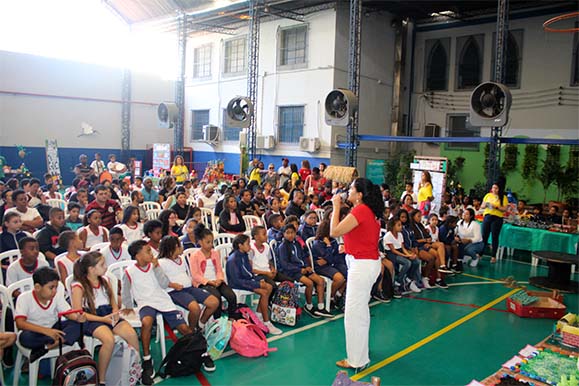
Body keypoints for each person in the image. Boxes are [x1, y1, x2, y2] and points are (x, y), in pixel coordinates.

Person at [123, 240, 216, 385]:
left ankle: (200, 351)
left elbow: (164, 283)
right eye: (147, 251)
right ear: (137, 255)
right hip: (145, 302)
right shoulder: (129, 271)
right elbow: (126, 291)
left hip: (163, 300)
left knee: (185, 328)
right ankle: (147, 359)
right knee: (146, 322)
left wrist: (156, 267)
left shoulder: (155, 265)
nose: (151, 253)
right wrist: (128, 306)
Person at [329, 178, 384, 370]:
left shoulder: (360, 210)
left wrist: (336, 206)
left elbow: (334, 231)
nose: (348, 191)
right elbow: (360, 235)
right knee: (361, 311)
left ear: (359, 195)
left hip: (362, 266)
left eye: (351, 189)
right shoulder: (367, 211)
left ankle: (356, 360)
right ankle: (361, 353)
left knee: (353, 314)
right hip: (365, 263)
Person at [71, 252, 140, 385]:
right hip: (91, 318)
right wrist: (104, 320)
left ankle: (135, 371)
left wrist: (115, 311)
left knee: (131, 335)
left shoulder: (105, 280)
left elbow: (113, 301)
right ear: (91, 269)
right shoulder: (78, 286)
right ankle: (101, 379)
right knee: (108, 340)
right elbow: (78, 313)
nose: (105, 266)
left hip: (108, 313)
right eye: (102, 264)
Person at [15, 267, 86, 363]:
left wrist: (77, 318)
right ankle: (63, 339)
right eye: (51, 287)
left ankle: (47, 347)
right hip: (35, 331)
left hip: (54, 328)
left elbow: (68, 313)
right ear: (37, 287)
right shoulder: (24, 298)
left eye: (56, 287)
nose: (54, 291)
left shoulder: (56, 296)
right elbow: (20, 324)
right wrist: (46, 331)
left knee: (79, 325)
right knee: (25, 338)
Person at [157, 235, 219, 332]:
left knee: (214, 302)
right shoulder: (161, 263)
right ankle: (191, 331)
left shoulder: (182, 259)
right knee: (195, 308)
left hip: (189, 288)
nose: (182, 247)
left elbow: (188, 274)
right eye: (179, 246)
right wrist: (173, 285)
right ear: (172, 248)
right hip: (175, 291)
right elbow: (160, 281)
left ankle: (200, 325)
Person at [226, 234, 282, 335]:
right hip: (238, 284)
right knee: (264, 292)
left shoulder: (244, 255)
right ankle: (267, 322)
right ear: (240, 245)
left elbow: (249, 273)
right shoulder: (233, 259)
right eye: (247, 244)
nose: (250, 246)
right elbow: (237, 280)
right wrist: (256, 284)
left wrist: (257, 282)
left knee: (269, 287)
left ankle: (259, 314)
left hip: (247, 280)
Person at [276, 224, 332, 318]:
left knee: (320, 281)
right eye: (287, 233)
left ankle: (321, 307)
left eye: (292, 232)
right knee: (309, 283)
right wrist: (299, 269)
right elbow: (284, 264)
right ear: (283, 234)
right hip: (292, 271)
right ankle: (309, 306)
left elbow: (303, 257)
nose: (290, 235)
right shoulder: (283, 247)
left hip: (303, 269)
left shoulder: (297, 243)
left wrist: (307, 266)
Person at [189, 224, 237, 318]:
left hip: (216, 281)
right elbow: (195, 275)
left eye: (212, 242)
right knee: (216, 297)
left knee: (231, 295)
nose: (211, 244)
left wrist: (219, 279)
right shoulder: (195, 256)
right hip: (203, 283)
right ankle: (217, 321)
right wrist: (208, 281)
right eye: (208, 242)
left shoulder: (214, 253)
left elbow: (219, 269)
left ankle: (232, 318)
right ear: (200, 242)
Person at [311, 219, 347, 309]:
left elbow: (334, 257)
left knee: (348, 274)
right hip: (321, 267)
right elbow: (330, 256)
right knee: (339, 278)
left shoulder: (333, 240)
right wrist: (328, 246)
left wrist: (328, 259)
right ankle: (330, 296)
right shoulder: (317, 243)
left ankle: (338, 295)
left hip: (331, 264)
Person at [382, 217, 416, 299]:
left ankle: (408, 278)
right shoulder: (388, 236)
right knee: (407, 262)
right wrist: (405, 256)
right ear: (393, 226)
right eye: (399, 225)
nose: (401, 227)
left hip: (399, 251)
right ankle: (398, 281)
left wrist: (409, 254)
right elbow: (393, 250)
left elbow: (403, 247)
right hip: (391, 253)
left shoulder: (400, 235)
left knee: (416, 261)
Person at [481, 181, 508, 264]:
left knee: (494, 237)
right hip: (487, 216)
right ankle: (480, 253)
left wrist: (496, 207)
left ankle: (493, 256)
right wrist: (486, 205)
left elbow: (504, 209)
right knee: (484, 236)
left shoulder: (503, 197)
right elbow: (482, 206)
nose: (494, 190)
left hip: (497, 218)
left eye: (496, 188)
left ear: (499, 189)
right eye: (493, 188)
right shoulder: (488, 196)